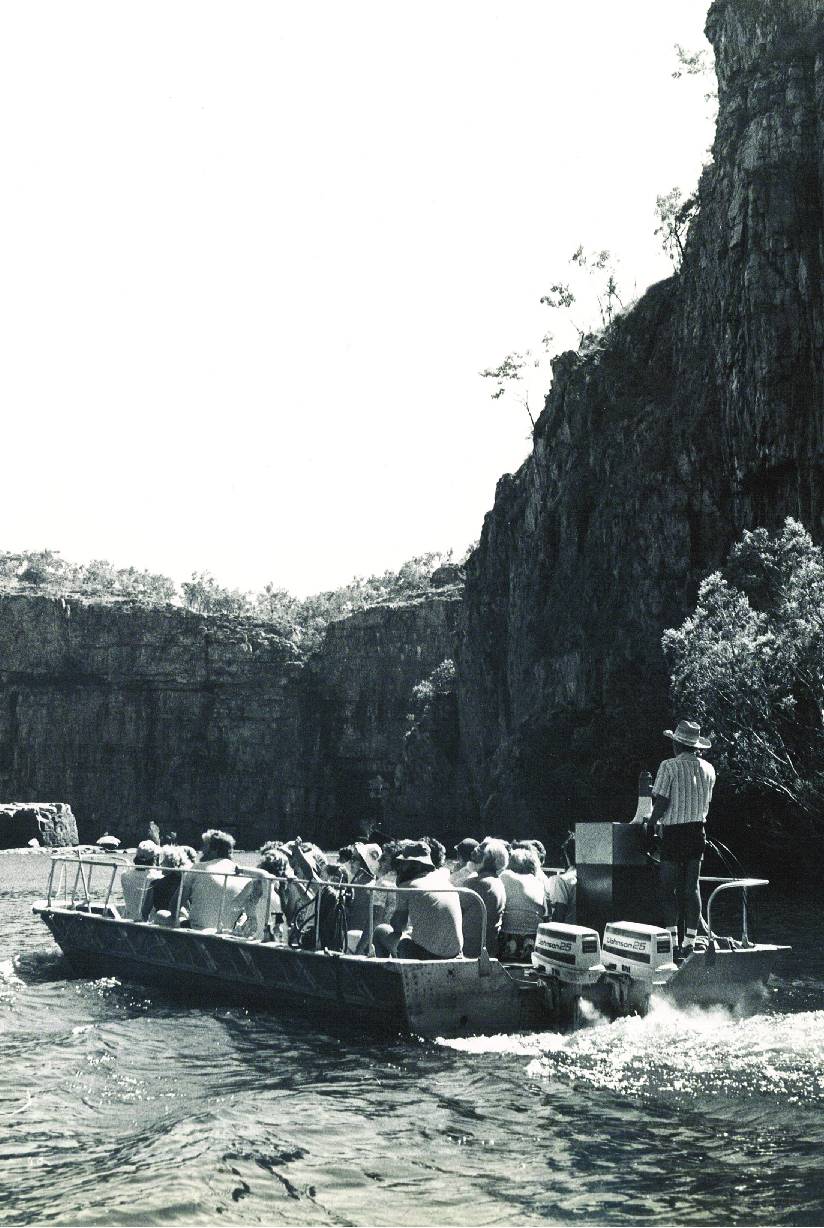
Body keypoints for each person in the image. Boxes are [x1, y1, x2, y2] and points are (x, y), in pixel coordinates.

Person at [645, 720, 715, 959]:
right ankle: (691, 942)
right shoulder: (709, 769)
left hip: (674, 833)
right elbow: (706, 803)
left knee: (668, 888)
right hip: (698, 832)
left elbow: (662, 802)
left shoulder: (668, 766)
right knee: (692, 887)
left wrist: (651, 822)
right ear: (696, 746)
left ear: (676, 743)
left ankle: (673, 941)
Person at [373, 842, 463, 960]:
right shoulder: (446, 883)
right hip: (455, 954)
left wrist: (400, 883)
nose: (401, 867)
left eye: (404, 863)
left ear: (416, 865)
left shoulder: (408, 885)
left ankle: (387, 975)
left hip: (425, 955)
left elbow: (398, 926)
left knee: (380, 930)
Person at [180, 829, 247, 931]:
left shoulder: (198, 868)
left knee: (162, 914)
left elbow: (174, 906)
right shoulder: (242, 874)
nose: (202, 850)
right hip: (227, 932)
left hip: (196, 931)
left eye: (205, 846)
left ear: (214, 850)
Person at [498, 846, 547, 962]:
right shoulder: (538, 883)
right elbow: (544, 912)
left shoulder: (505, 876)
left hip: (509, 937)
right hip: (534, 939)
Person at [460, 839, 508, 957]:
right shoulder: (498, 882)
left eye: (479, 851)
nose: (473, 853)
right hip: (488, 949)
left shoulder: (475, 883)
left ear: (488, 859)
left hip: (469, 951)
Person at [141, 845, 192, 925]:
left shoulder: (155, 884)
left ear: (171, 864)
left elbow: (145, 912)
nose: (160, 863)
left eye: (163, 860)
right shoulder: (187, 884)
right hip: (181, 923)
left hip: (162, 925)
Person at [120, 841, 163, 920]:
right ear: (155, 858)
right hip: (149, 921)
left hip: (128, 919)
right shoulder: (158, 878)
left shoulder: (125, 875)